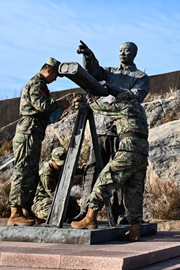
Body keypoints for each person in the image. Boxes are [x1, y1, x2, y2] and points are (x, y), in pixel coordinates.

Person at [74, 40, 149, 222]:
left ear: (134, 54)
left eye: (127, 50)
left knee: (122, 174)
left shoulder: (140, 76)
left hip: (121, 132)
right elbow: (93, 73)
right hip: (101, 127)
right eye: (121, 50)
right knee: (92, 169)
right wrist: (88, 56)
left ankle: (119, 213)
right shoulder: (109, 72)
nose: (123, 53)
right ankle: (86, 210)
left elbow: (135, 96)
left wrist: (111, 88)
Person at [70, 90, 148, 241]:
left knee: (105, 180)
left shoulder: (126, 106)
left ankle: (90, 218)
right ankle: (135, 230)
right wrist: (118, 124)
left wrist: (90, 102)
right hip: (142, 155)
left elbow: (104, 108)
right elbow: (131, 126)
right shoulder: (140, 111)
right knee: (134, 192)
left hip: (128, 152)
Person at [8, 57, 70, 226]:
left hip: (34, 132)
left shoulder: (41, 84)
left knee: (31, 172)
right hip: (28, 132)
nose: (55, 79)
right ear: (49, 70)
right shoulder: (37, 84)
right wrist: (59, 104)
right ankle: (15, 213)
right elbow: (41, 105)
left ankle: (26, 211)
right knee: (22, 171)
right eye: (55, 75)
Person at [32, 146, 80, 222]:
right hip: (43, 200)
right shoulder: (46, 174)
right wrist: (73, 200)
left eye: (63, 164)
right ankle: (37, 213)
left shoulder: (63, 167)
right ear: (52, 161)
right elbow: (54, 194)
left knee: (76, 211)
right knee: (51, 212)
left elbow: (77, 169)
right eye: (59, 165)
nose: (61, 167)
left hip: (60, 199)